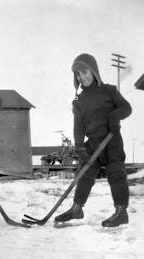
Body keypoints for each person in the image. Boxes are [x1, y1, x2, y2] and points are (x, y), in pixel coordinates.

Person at [54, 53, 132, 228]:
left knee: (116, 174)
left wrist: (114, 117)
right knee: (84, 174)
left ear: (94, 71)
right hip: (93, 143)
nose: (82, 77)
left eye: (84, 72)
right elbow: (78, 127)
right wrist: (80, 148)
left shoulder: (109, 91)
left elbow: (126, 108)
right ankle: (77, 208)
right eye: (78, 75)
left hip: (111, 141)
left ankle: (121, 212)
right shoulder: (79, 101)